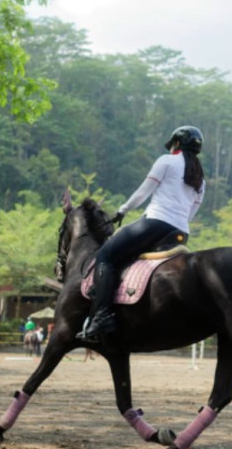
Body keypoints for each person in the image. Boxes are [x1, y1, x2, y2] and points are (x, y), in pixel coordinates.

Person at [76, 126, 206, 343]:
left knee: (106, 256)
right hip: (181, 231)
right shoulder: (200, 177)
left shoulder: (166, 161)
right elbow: (193, 210)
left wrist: (122, 210)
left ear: (176, 144)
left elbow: (144, 191)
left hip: (156, 222)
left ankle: (101, 317)